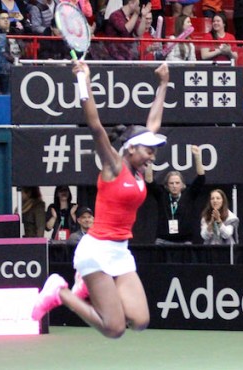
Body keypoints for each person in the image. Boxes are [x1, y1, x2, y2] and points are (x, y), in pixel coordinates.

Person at [31, 62, 170, 340]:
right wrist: (83, 79)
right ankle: (60, 291)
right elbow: (95, 125)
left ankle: (85, 286)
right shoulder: (114, 166)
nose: (153, 155)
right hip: (95, 250)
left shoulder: (139, 169)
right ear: (130, 148)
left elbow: (153, 123)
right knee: (114, 328)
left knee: (140, 321)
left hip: (120, 250)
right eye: (148, 150)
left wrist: (163, 84)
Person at [146, 145, 205, 245]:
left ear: (182, 184)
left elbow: (201, 178)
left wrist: (197, 157)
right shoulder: (162, 195)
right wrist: (149, 160)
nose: (174, 186)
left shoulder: (189, 195)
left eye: (177, 183)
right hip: (163, 241)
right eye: (171, 183)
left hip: (184, 241)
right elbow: (149, 181)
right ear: (166, 185)